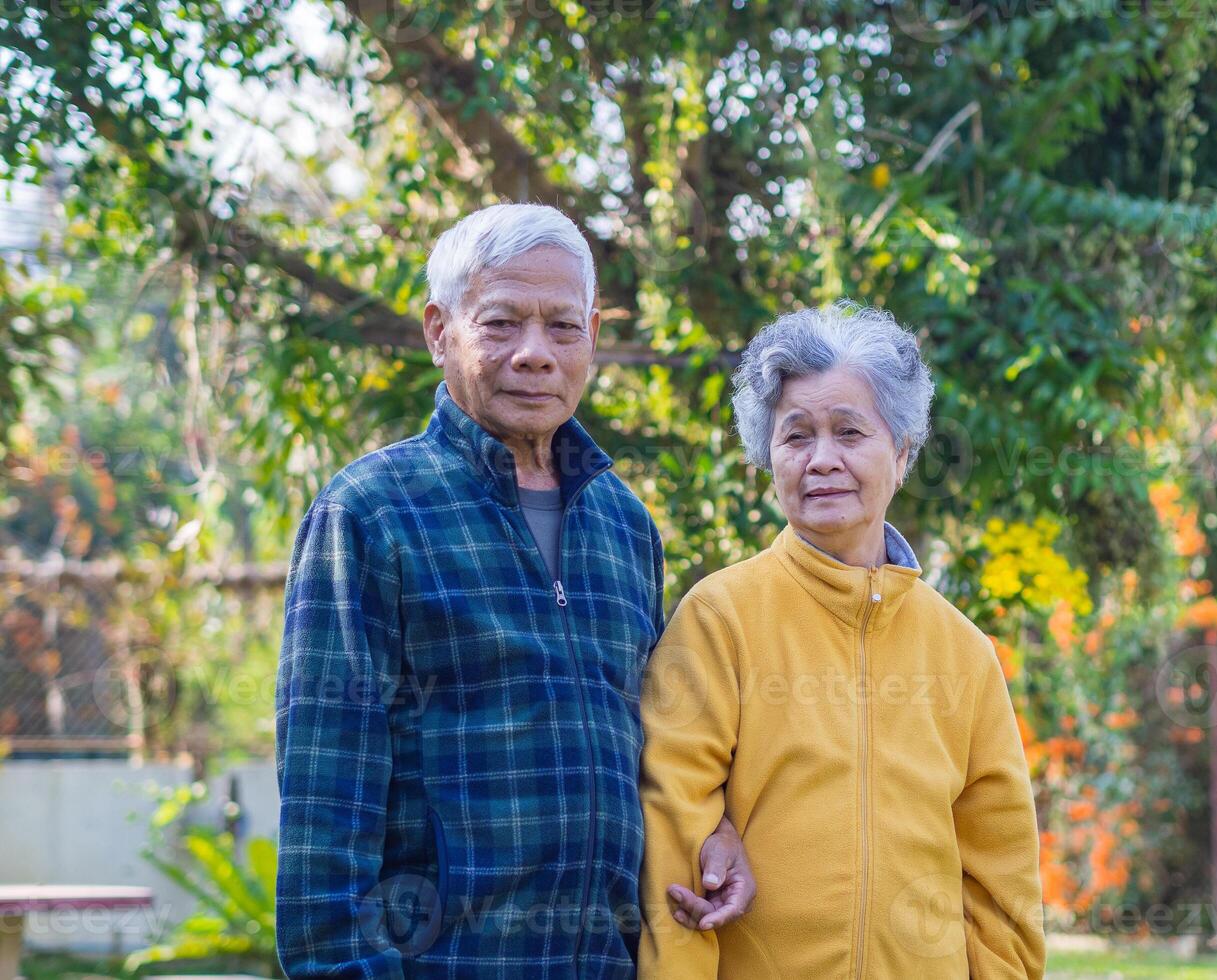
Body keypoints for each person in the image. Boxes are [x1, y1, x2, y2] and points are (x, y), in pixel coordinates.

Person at [275, 203, 752, 978]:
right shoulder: (370, 514)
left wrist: (717, 826)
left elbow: (661, 746)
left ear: (593, 335)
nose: (536, 353)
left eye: (563, 327)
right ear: (439, 331)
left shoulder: (624, 525)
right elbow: (324, 824)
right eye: (501, 323)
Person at [638, 301, 1046, 978]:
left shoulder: (962, 653)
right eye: (796, 436)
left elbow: (1001, 880)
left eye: (849, 432)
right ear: (768, 455)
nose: (822, 459)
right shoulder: (719, 617)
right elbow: (674, 844)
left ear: (903, 450)